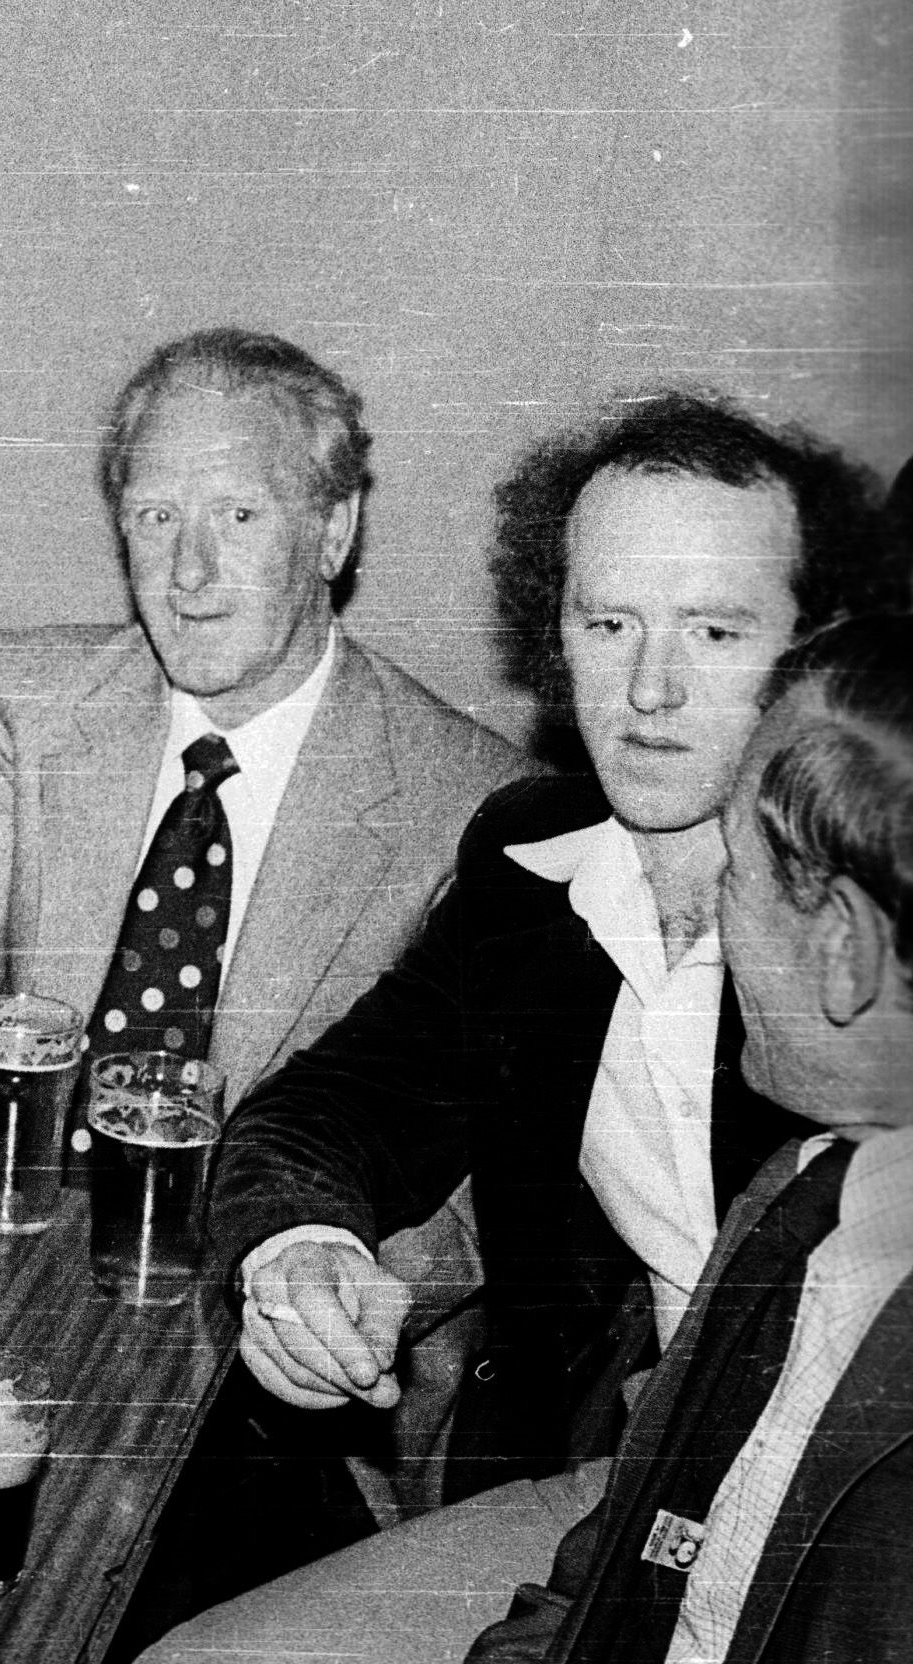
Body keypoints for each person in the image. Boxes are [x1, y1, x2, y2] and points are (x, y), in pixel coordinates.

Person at [146, 394, 896, 1662]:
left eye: (714, 630)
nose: (647, 688)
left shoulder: (867, 937)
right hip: (622, 1485)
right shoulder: (530, 865)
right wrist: (301, 1248)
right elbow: (329, 1104)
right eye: (607, 622)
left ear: (812, 652)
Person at [0, 327, 531, 1152]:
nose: (190, 571)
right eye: (157, 516)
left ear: (333, 532)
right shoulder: (31, 699)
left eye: (238, 515)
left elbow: (462, 1173)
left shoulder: (469, 802)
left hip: (257, 1261)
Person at [468, 614, 912, 1663]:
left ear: (842, 948)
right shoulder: (801, 1190)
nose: (714, 902)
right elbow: (621, 1565)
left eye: (738, 876)